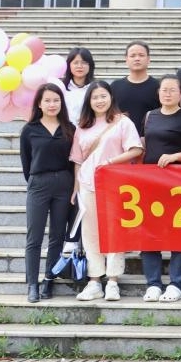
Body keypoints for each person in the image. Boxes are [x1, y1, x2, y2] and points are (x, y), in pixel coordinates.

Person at [70, 81, 142, 302]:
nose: (100, 101)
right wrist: (76, 188)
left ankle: (112, 280)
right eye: (95, 97)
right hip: (88, 184)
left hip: (114, 184)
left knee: (114, 230)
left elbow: (136, 149)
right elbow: (78, 160)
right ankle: (94, 281)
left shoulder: (122, 122)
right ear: (89, 101)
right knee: (90, 232)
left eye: (103, 96)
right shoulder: (82, 126)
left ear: (111, 97)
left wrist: (111, 162)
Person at [141, 75, 181, 302]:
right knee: (149, 232)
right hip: (150, 183)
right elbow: (144, 146)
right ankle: (153, 283)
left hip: (177, 184)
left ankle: (176, 283)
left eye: (172, 90)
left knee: (178, 232)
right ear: (158, 93)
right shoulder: (150, 116)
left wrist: (174, 156)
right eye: (164, 89)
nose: (167, 93)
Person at [20, 83, 75, 303]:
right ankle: (32, 284)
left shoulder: (70, 128)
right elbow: (26, 162)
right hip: (39, 183)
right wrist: (37, 180)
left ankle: (48, 280)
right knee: (34, 236)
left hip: (64, 183)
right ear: (39, 104)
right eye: (47, 100)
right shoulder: (30, 130)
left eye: (56, 100)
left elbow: (74, 160)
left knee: (57, 235)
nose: (52, 104)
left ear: (62, 103)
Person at [111, 41, 159, 136]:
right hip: (120, 139)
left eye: (141, 55)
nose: (137, 59)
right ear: (126, 60)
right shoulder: (115, 86)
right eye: (132, 56)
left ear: (148, 59)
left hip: (150, 139)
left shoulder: (159, 87)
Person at [62, 47, 95, 122]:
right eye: (75, 63)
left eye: (84, 62)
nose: (79, 66)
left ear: (90, 65)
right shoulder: (62, 87)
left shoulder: (96, 88)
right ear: (69, 65)